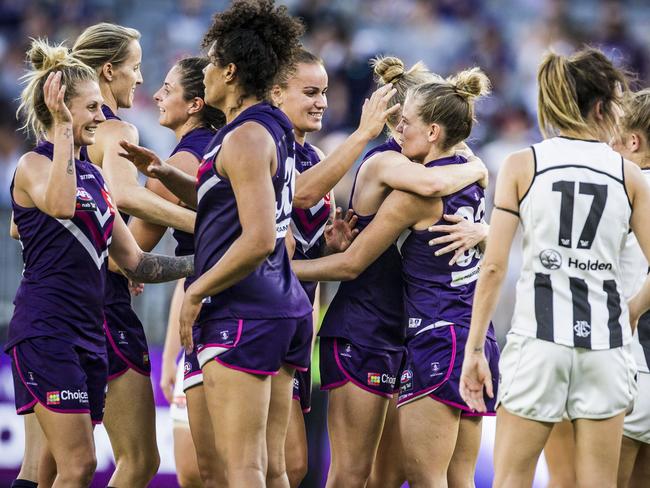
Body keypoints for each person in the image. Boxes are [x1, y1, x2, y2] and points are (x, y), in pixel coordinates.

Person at [119, 1, 309, 486]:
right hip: (280, 305)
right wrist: (163, 174)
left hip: (245, 309)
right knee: (271, 468)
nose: (203, 73)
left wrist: (197, 291)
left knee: (240, 468)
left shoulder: (244, 136)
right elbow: (226, 203)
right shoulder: (267, 125)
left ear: (229, 70)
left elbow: (261, 237)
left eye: (210, 63)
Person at [287, 55, 489, 488]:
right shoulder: (389, 163)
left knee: (391, 476)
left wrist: (483, 228)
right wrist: (480, 168)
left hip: (413, 331)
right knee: (353, 472)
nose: (400, 130)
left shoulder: (434, 165)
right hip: (364, 327)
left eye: (408, 122)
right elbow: (433, 187)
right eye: (402, 120)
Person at [460, 47, 650, 488]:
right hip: (605, 345)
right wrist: (633, 309)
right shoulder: (629, 174)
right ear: (602, 105)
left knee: (512, 479)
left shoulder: (522, 163)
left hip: (538, 341)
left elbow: (493, 267)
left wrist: (474, 350)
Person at [8, 39, 194, 488]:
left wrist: (204, 257)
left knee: (51, 469)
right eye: (89, 108)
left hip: (88, 333)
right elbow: (59, 206)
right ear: (61, 110)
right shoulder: (33, 165)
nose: (100, 116)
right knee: (78, 466)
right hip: (46, 329)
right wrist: (63, 129)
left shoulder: (91, 175)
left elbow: (136, 262)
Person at [71, 22, 195, 487]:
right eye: (136, 68)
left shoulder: (59, 137)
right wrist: (210, 226)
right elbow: (127, 194)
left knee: (55, 467)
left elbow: (21, 224)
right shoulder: (114, 127)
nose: (140, 80)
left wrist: (111, 245)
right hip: (102, 303)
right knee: (140, 460)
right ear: (108, 71)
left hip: (56, 302)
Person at [126, 56, 224, 488]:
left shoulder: (176, 166)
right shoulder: (232, 143)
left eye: (168, 88)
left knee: (203, 473)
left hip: (213, 318)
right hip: (263, 309)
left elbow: (128, 255)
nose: (158, 95)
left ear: (196, 103)